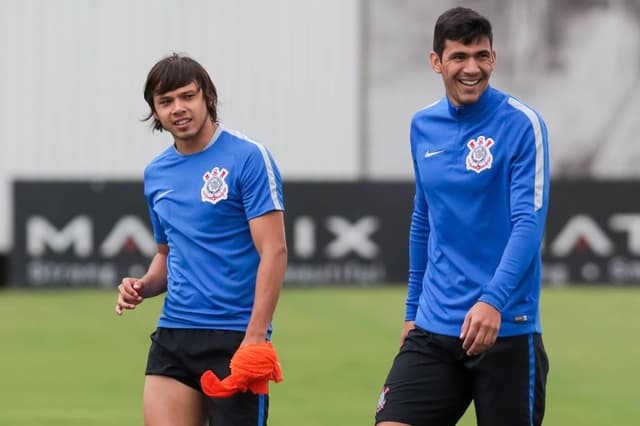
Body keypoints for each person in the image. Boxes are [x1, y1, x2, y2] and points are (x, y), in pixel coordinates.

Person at [375, 7, 550, 426]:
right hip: (434, 327)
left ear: (494, 58)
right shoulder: (423, 125)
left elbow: (529, 223)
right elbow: (424, 219)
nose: (472, 68)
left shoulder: (523, 124)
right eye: (459, 57)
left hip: (505, 327)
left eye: (481, 56)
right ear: (436, 61)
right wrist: (412, 310)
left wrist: (493, 300)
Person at [114, 53, 287, 426]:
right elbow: (167, 253)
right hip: (174, 333)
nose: (178, 108)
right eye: (166, 101)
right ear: (155, 112)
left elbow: (274, 250)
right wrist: (143, 286)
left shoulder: (248, 157)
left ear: (207, 96)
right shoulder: (156, 173)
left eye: (187, 96)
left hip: (236, 338)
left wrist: (256, 335)